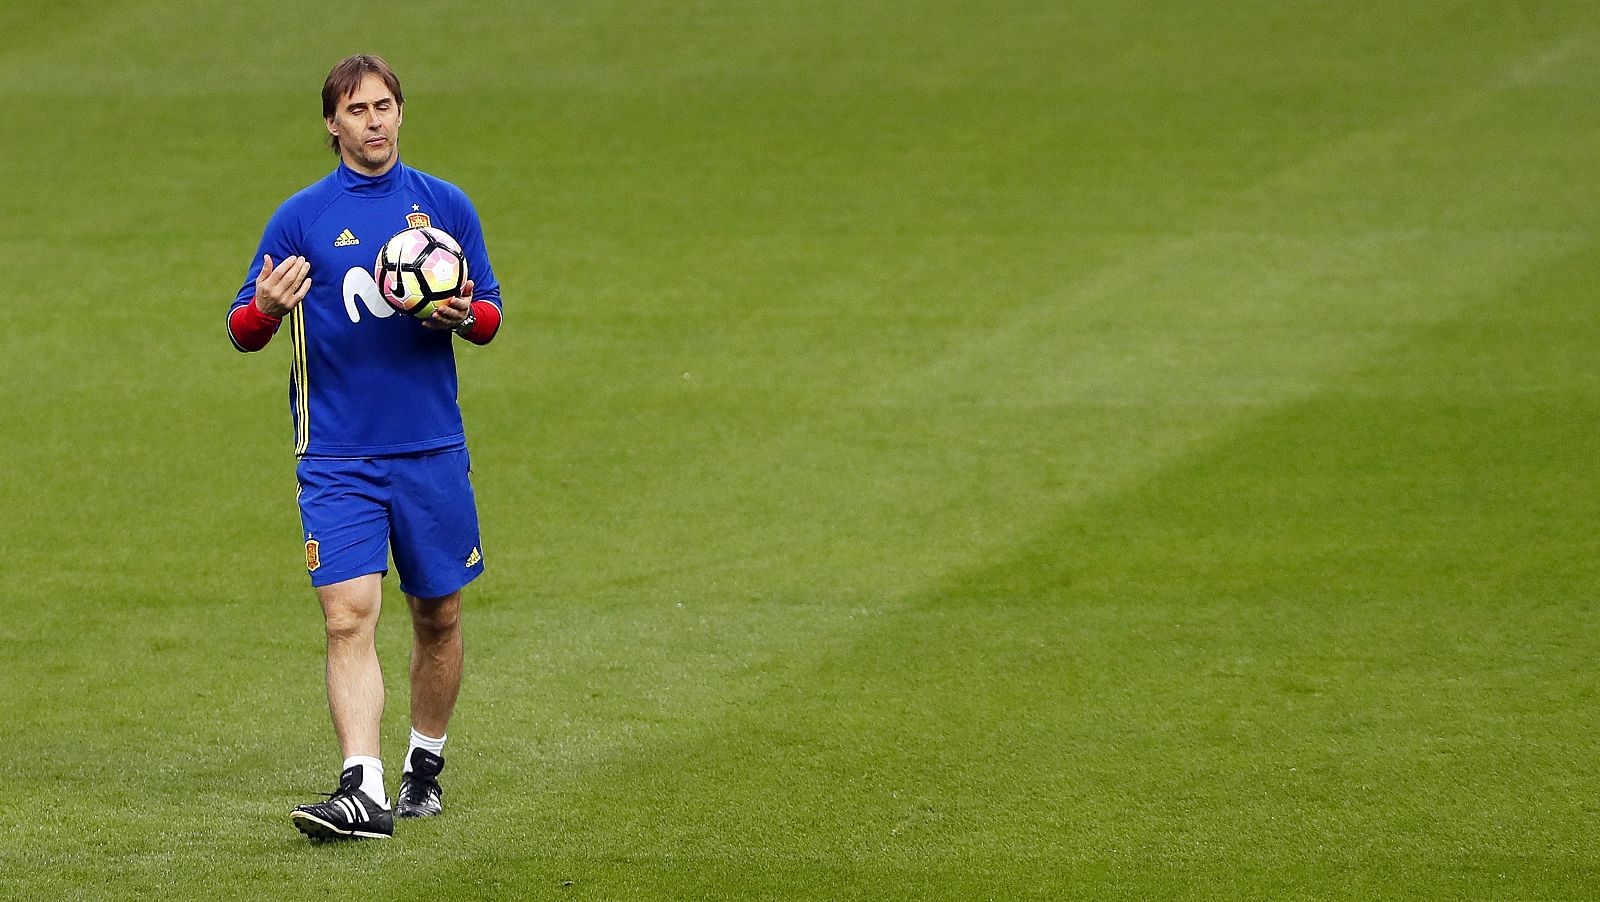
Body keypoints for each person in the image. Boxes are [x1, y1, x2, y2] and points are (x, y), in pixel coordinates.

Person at [227, 54, 503, 841]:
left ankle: (424, 765)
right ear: (332, 124)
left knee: (438, 616)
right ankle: (363, 787)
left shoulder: (444, 207)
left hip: (430, 449)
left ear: (400, 112)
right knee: (348, 616)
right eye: (357, 110)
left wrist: (460, 319)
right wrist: (268, 311)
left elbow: (489, 313)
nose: (374, 120)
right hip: (336, 454)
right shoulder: (301, 218)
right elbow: (241, 327)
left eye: (385, 106)